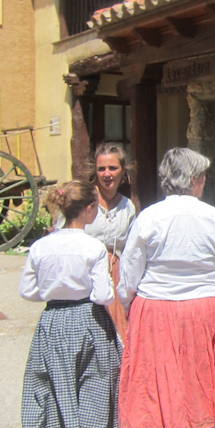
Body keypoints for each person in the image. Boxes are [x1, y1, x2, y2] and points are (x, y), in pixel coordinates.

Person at [118, 148, 215, 428]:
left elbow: (130, 271)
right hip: (205, 306)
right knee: (198, 378)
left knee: (155, 378)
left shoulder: (148, 217)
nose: (204, 181)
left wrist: (127, 303)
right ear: (194, 180)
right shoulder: (214, 217)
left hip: (157, 306)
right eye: (202, 176)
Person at [0, 181, 121, 428]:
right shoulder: (93, 247)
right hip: (89, 319)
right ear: (89, 209)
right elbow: (105, 296)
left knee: (40, 387)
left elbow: (27, 291)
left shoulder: (42, 246)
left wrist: (54, 288)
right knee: (89, 386)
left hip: (53, 319)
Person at [87, 143, 137, 343]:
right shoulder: (84, 200)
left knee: (118, 331)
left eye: (113, 168)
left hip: (116, 273)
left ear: (123, 171)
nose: (107, 174)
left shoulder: (127, 206)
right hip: (87, 273)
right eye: (102, 169)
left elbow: (132, 247)